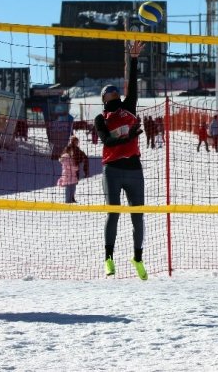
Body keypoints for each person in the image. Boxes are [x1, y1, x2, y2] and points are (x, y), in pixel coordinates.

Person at [94, 40, 147, 280]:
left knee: (138, 215)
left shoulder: (129, 108)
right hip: (113, 169)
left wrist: (134, 59)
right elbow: (107, 142)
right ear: (104, 98)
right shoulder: (100, 118)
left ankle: (137, 258)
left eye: (117, 91)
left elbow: (133, 86)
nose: (115, 93)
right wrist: (129, 135)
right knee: (113, 213)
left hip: (134, 168)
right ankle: (108, 258)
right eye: (110, 92)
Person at [57, 135, 89, 203]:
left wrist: (83, 159)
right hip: (69, 172)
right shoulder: (68, 149)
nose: (77, 143)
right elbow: (65, 160)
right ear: (72, 141)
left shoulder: (77, 149)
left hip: (75, 169)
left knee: (73, 185)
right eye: (75, 141)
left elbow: (82, 155)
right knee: (69, 186)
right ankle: (68, 199)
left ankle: (72, 198)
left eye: (77, 142)